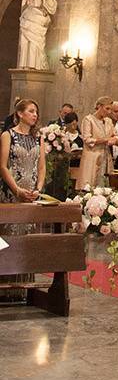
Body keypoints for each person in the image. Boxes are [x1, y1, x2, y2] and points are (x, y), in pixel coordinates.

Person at [0, 99, 47, 301]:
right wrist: (17, 189)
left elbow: (42, 167)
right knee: (9, 237)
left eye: (36, 111)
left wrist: (38, 189)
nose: (34, 115)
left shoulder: (39, 138)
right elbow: (3, 166)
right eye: (30, 111)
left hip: (31, 196)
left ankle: (24, 288)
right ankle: (5, 285)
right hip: (11, 193)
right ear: (19, 113)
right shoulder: (7, 135)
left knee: (28, 239)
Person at [75, 96, 118, 190]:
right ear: (99, 106)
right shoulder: (88, 120)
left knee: (105, 186)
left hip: (106, 157)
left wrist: (115, 139)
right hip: (92, 157)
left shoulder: (108, 121)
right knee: (90, 186)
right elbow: (87, 139)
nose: (109, 112)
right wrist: (106, 140)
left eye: (110, 109)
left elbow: (116, 135)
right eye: (107, 108)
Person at [18, 0, 57, 70]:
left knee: (33, 42)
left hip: (36, 17)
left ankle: (33, 65)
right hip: (27, 16)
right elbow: (23, 3)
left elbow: (51, 6)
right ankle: (23, 64)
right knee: (23, 42)